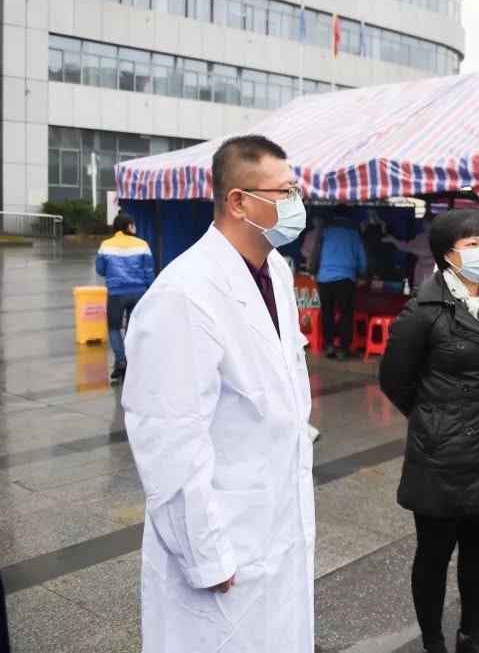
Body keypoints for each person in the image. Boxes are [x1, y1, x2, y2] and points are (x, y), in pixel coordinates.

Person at [122, 135, 316, 653]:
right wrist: (204, 555)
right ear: (238, 202)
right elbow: (168, 438)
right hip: (223, 542)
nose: (296, 204)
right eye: (284, 192)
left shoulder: (275, 272)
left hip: (276, 521)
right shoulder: (183, 294)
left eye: (296, 190)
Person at [379, 209, 479, 653]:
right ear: (448, 255)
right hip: (440, 453)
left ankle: (472, 632)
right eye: (472, 245)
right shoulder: (423, 310)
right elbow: (394, 379)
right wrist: (435, 417)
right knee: (434, 552)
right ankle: (433, 642)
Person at [95, 213, 154, 382]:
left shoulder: (106, 245)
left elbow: (100, 269)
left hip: (115, 293)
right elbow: (148, 271)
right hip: (138, 292)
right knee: (132, 326)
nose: (134, 227)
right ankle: (130, 360)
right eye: (133, 224)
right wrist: (151, 290)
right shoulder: (142, 245)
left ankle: (120, 360)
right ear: (128, 226)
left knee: (114, 328)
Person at [316, 204, 366, 360]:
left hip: (324, 277)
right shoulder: (353, 233)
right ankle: (344, 349)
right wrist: (362, 273)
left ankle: (329, 345)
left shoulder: (326, 231)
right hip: (345, 278)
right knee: (346, 313)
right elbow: (362, 257)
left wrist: (313, 270)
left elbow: (316, 252)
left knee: (327, 312)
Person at [383, 212, 436, 286]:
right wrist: (394, 240)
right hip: (420, 274)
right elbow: (407, 246)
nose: (425, 225)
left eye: (427, 223)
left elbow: (429, 252)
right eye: (424, 223)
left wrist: (415, 251)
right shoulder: (420, 237)